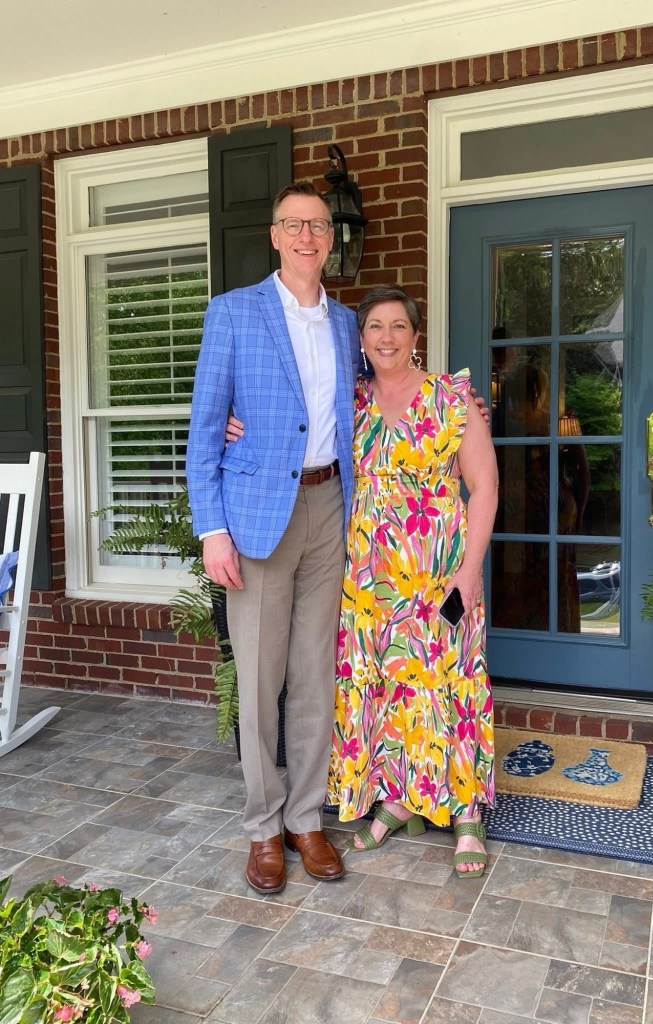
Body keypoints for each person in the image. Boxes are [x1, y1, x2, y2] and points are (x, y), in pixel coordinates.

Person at [186, 182, 358, 894]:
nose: (308, 235)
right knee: (259, 682)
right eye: (295, 224)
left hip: (329, 510)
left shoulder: (347, 322)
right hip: (256, 516)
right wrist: (211, 529)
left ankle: (305, 818)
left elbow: (378, 395)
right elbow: (205, 424)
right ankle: (262, 827)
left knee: (315, 677)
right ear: (275, 235)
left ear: (328, 237)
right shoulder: (233, 313)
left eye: (318, 225)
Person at [326, 285, 498, 877]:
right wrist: (236, 426)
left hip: (439, 571)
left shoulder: (451, 397)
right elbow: (294, 440)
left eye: (399, 326)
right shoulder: (349, 401)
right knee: (387, 687)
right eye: (376, 326)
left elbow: (486, 487)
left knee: (453, 683)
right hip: (372, 579)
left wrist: (469, 571)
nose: (388, 337)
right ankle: (400, 799)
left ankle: (468, 812)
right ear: (362, 339)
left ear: (416, 336)